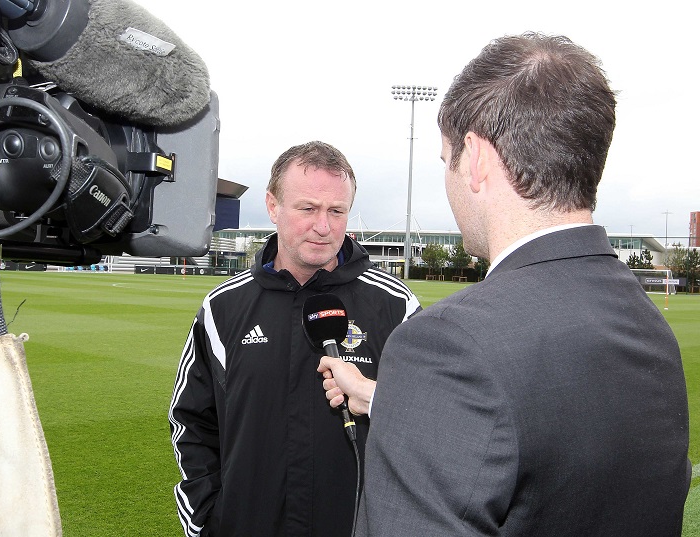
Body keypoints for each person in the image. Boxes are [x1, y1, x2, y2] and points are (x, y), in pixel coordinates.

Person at [318, 33, 691, 536]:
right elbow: (535, 431)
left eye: (445, 158)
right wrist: (386, 399)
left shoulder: (447, 345)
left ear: (474, 158)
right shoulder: (644, 324)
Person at [169, 141, 422, 537]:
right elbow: (192, 422)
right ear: (273, 207)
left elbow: (431, 422)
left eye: (336, 211)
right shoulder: (223, 307)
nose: (323, 226)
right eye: (308, 208)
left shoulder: (394, 306)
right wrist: (207, 520)